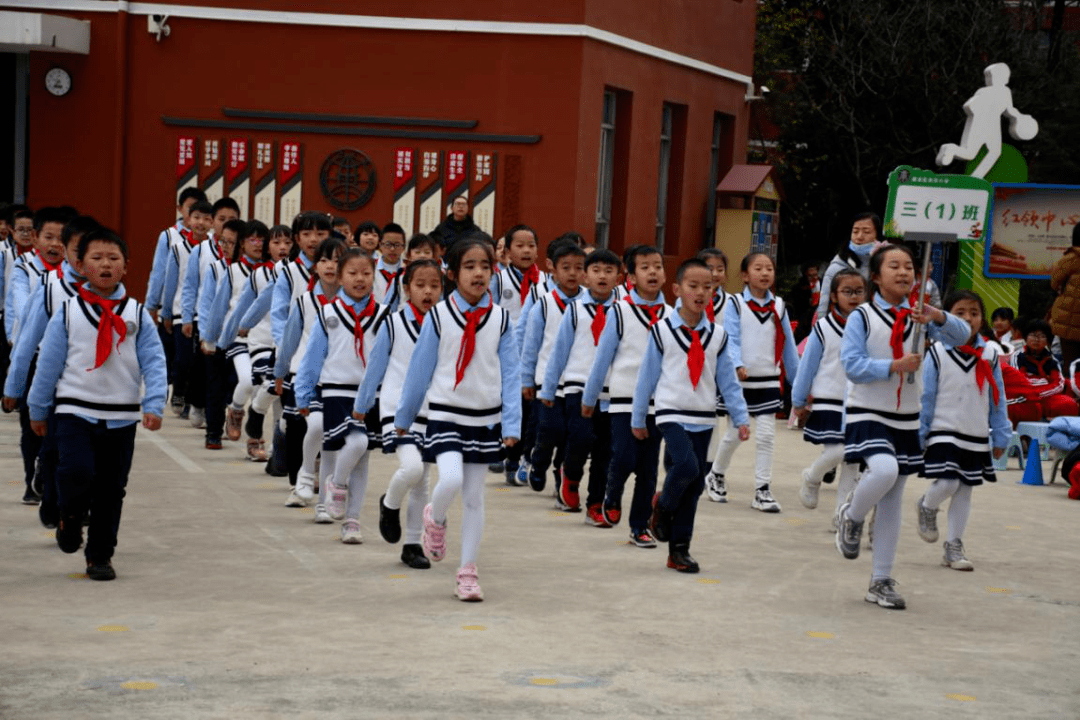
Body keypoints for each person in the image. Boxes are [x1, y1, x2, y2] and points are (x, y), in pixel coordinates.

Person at [834, 243, 970, 610]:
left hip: (906, 418)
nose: (904, 272)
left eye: (909, 266)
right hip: (869, 411)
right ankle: (852, 513)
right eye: (894, 266)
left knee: (893, 497)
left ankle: (880, 580)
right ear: (875, 277)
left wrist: (937, 316)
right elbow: (852, 366)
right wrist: (893, 366)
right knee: (884, 470)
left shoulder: (920, 317)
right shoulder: (861, 317)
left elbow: (963, 336)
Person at [27, 228, 167, 580]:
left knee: (110, 488)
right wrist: (38, 408)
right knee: (75, 472)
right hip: (74, 409)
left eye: (113, 259)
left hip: (121, 416)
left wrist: (153, 404)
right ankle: (70, 519)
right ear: (79, 265)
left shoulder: (136, 313)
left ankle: (100, 555)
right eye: (97, 258)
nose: (105, 264)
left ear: (126, 267)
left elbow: (154, 360)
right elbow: (49, 364)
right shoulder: (68, 312)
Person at [395, 235, 520, 602]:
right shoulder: (438, 316)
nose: (478, 273)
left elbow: (511, 375)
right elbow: (420, 370)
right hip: (446, 414)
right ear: (452, 273)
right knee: (449, 478)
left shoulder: (500, 320)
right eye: (469, 267)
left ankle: (467, 571)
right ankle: (434, 516)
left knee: (475, 498)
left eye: (485, 266)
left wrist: (511, 425)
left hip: (484, 419)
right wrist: (404, 417)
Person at [633, 258, 750, 573]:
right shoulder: (662, 331)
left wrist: (741, 418)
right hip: (670, 412)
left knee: (695, 485)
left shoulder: (718, 336)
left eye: (707, 287)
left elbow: (727, 381)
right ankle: (661, 507)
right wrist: (638, 416)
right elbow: (647, 377)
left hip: (703, 416)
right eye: (693, 286)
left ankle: (679, 551)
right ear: (677, 290)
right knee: (685, 465)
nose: (700, 292)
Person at [3, 215, 97, 525]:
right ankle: (42, 483)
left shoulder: (109, 292)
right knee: (48, 440)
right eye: (52, 238)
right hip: (48, 374)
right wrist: (13, 388)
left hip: (89, 381)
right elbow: (26, 339)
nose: (56, 245)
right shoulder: (46, 284)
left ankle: (72, 505)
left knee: (82, 453)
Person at [354, 258, 443, 566]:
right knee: (413, 468)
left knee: (423, 482)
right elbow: (376, 366)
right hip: (397, 407)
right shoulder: (393, 323)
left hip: (432, 408)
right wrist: (362, 404)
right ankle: (389, 504)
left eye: (434, 286)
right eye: (420, 286)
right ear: (407, 290)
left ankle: (412, 544)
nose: (427, 292)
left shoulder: (447, 324)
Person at [294, 249, 386, 543]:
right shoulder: (329, 313)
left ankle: (352, 520)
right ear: (341, 276)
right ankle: (329, 494)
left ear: (374, 276)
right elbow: (312, 357)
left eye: (366, 273)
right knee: (340, 448)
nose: (360, 279)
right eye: (352, 273)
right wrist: (304, 394)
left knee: (362, 458)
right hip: (336, 391)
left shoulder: (384, 315)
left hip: (369, 395)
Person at [582, 245, 670, 544]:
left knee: (648, 470)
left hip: (658, 404)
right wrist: (589, 397)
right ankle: (612, 494)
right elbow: (603, 357)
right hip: (622, 400)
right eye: (645, 267)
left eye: (657, 266)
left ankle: (638, 527)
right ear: (630, 276)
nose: (653, 272)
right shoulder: (620, 311)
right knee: (623, 457)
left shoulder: (671, 315)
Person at [917, 290, 1010, 571]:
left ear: (982, 319)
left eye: (974, 313)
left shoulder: (991, 353)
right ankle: (927, 505)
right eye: (960, 313)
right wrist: (921, 432)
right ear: (947, 317)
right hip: (943, 430)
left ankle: (954, 545)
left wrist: (1001, 433)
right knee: (948, 482)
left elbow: (998, 396)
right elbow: (926, 396)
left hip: (975, 432)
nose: (968, 319)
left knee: (965, 489)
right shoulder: (936, 352)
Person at [705, 252, 799, 512]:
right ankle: (716, 474)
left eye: (769, 268)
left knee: (767, 436)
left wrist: (799, 383)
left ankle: (762, 490)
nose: (765, 273)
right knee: (736, 433)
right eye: (758, 268)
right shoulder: (735, 304)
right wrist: (736, 364)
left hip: (768, 380)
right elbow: (731, 338)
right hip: (740, 381)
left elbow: (789, 346)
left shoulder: (779, 306)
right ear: (745, 275)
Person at [539, 249, 620, 525]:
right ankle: (570, 476)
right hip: (576, 387)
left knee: (605, 451)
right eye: (596, 270)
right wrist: (549, 389)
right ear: (586, 276)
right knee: (582, 438)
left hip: (611, 391)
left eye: (609, 272)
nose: (602, 276)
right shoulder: (575, 310)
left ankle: (595, 504)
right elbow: (559, 351)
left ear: (618, 278)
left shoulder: (624, 311)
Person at [274, 236, 347, 510]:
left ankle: (326, 491)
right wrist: (279, 373)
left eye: (337, 260)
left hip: (337, 380)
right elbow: (290, 341)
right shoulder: (304, 302)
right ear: (315, 267)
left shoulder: (354, 305)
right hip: (302, 376)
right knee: (298, 429)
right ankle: (299, 482)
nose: (330, 266)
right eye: (324, 260)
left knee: (331, 435)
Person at [216, 224, 293, 462]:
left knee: (282, 396)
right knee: (256, 383)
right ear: (267, 247)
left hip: (285, 343)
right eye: (276, 242)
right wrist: (224, 339)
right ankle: (247, 426)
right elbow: (241, 309)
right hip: (256, 339)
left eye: (287, 243)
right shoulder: (258, 275)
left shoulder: (296, 274)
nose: (282, 247)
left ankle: (277, 450)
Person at [793, 269, 865, 519]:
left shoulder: (869, 328)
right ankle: (812, 476)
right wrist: (799, 400)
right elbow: (807, 366)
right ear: (833, 296)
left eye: (859, 291)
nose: (854, 296)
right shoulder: (823, 327)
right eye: (847, 291)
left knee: (852, 463)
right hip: (828, 401)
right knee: (837, 452)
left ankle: (841, 516)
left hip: (858, 403)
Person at [520, 242, 586, 496]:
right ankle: (539, 463)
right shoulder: (544, 304)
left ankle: (561, 472)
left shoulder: (591, 307)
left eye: (578, 268)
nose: (572, 273)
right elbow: (531, 345)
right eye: (565, 268)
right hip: (546, 380)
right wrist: (527, 379)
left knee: (571, 434)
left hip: (577, 380)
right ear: (554, 272)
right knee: (549, 428)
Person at [203, 220, 272, 447]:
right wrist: (211, 338)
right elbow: (220, 307)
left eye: (263, 240)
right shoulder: (232, 271)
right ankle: (234, 411)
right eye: (253, 239)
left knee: (267, 388)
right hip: (238, 339)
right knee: (246, 381)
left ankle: (256, 440)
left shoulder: (275, 273)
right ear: (242, 244)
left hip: (265, 339)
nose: (258, 244)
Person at [489, 225, 546, 484]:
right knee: (506, 404)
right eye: (520, 246)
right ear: (507, 251)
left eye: (531, 245)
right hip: (504, 354)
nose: (526, 250)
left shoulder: (545, 282)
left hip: (535, 354)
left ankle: (521, 456)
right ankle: (504, 453)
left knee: (530, 409)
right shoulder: (499, 280)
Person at [162, 200, 214, 425]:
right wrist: (165, 311)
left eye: (206, 218)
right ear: (188, 220)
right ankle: (179, 391)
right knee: (183, 359)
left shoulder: (215, 248)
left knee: (197, 361)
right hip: (180, 310)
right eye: (196, 218)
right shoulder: (178, 248)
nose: (201, 223)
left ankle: (192, 401)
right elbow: (170, 281)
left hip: (204, 312)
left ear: (211, 222)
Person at [1006, 319, 1078, 424]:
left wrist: (1037, 392)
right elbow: (1018, 381)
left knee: (1069, 403)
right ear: (1026, 337)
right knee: (1011, 405)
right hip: (1024, 399)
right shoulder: (1017, 356)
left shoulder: (1052, 360)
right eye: (1033, 335)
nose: (1037, 339)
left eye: (1042, 336)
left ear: (1048, 341)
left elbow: (1058, 385)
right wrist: (1043, 381)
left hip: (1046, 398)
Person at [815, 212, 880, 320]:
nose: (859, 237)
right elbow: (824, 304)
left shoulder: (883, 262)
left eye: (866, 231)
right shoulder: (838, 265)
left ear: (877, 234)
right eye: (855, 231)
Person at [1049, 224, 1080, 373]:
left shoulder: (1071, 258)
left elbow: (1054, 282)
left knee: (1071, 364)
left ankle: (1071, 394)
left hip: (1067, 321)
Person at [373, 223, 406, 310]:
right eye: (388, 244)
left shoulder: (408, 271)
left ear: (404, 247)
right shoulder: (370, 268)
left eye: (397, 245)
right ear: (380, 245)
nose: (392, 249)